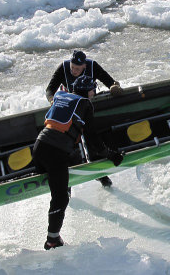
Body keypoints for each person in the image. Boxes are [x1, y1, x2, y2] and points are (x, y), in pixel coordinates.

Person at [33, 75, 124, 250]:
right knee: (60, 198)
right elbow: (92, 141)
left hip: (39, 147)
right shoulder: (86, 104)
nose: (94, 93)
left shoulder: (62, 95)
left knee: (67, 161)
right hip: (55, 152)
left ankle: (60, 182)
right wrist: (111, 155)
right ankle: (52, 240)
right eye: (93, 90)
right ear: (88, 91)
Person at [46, 50, 121, 187]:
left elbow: (109, 81)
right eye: (72, 68)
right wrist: (52, 100)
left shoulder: (92, 66)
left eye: (77, 69)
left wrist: (113, 87)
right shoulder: (63, 67)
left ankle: (100, 174)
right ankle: (66, 183)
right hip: (70, 110)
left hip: (86, 105)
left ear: (85, 66)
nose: (74, 71)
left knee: (90, 138)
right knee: (72, 143)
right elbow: (50, 89)